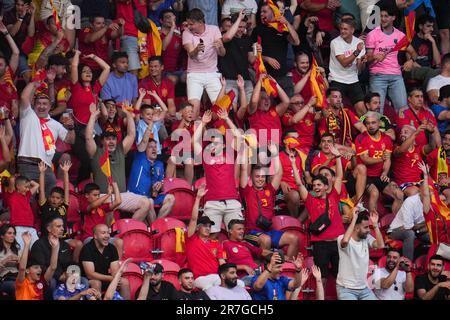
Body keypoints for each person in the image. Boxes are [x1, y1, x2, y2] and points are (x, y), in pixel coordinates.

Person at [86, 106, 155, 223]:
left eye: (113, 138)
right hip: (104, 196)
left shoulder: (120, 150)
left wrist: (128, 114)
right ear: (102, 141)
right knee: (109, 209)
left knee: (146, 203)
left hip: (122, 195)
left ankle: (128, 229)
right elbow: (88, 138)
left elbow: (131, 134)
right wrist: (93, 116)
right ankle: (110, 236)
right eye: (108, 139)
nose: (111, 141)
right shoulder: (96, 152)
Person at [295, 144, 344, 290]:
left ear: (325, 186)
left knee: (340, 277)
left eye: (319, 185)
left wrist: (338, 157)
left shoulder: (333, 196)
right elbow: (298, 183)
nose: (316, 187)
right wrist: (293, 164)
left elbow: (340, 176)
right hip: (320, 245)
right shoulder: (310, 200)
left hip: (337, 244)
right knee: (320, 278)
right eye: (314, 185)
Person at [239, 140, 299, 258]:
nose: (260, 179)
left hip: (269, 231)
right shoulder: (247, 190)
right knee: (265, 240)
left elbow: (279, 174)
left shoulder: (269, 190)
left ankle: (288, 268)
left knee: (294, 239)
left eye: (262, 176)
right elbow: (244, 170)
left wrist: (275, 155)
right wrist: (246, 152)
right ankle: (264, 271)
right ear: (252, 178)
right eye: (257, 176)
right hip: (252, 232)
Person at [17, 76, 75, 195]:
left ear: (49, 107)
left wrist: (71, 128)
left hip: (46, 168)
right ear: (33, 104)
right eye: (39, 103)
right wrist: (34, 82)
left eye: (45, 104)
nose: (42, 106)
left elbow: (70, 140)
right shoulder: (27, 114)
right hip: (28, 165)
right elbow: (24, 97)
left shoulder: (55, 124)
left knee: (50, 200)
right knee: (27, 200)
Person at [193, 111, 244, 236]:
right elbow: (194, 141)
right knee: (210, 237)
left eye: (216, 143)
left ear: (224, 145)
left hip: (232, 201)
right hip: (212, 202)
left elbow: (239, 137)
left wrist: (227, 119)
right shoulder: (206, 156)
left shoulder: (231, 154)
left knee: (237, 236)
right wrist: (203, 123)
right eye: (211, 143)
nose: (213, 146)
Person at [355, 111, 403, 214]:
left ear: (379, 123)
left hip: (379, 175)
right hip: (365, 175)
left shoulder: (386, 139)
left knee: (399, 194)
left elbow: (388, 159)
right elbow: (365, 159)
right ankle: (373, 224)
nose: (371, 126)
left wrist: (385, 172)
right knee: (374, 193)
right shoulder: (361, 138)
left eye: (373, 123)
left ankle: (395, 224)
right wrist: (382, 159)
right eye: (368, 123)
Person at [182, 8, 226, 119]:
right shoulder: (186, 33)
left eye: (191, 24)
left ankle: (218, 132)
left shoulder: (214, 29)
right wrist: (197, 50)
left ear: (200, 22)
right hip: (194, 74)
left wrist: (220, 47)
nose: (189, 27)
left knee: (220, 108)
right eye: (188, 24)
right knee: (194, 108)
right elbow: (191, 54)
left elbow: (222, 54)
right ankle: (195, 134)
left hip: (212, 73)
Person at [365, 6, 408, 113]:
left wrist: (411, 61)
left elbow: (413, 53)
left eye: (386, 16)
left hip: (396, 76)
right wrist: (375, 56)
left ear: (393, 18)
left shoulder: (400, 35)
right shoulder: (372, 34)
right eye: (381, 16)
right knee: (377, 111)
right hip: (377, 76)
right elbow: (367, 58)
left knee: (403, 110)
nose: (383, 19)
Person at [252, 1, 300, 96]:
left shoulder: (282, 28)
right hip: (266, 76)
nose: (262, 14)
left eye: (264, 11)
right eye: (260, 12)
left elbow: (296, 41)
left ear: (273, 11)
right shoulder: (257, 30)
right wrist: (266, 59)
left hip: (284, 77)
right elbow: (252, 56)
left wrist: (287, 23)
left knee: (288, 108)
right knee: (268, 108)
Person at [38, 160, 82, 263]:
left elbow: (66, 189)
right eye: (52, 197)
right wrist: (42, 173)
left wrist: (66, 172)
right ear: (49, 198)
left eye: (57, 198)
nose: (54, 200)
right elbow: (42, 189)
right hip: (48, 239)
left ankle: (74, 264)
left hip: (63, 239)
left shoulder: (63, 207)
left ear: (62, 200)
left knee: (79, 244)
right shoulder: (44, 206)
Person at [336, 208, 385, 300]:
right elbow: (346, 241)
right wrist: (354, 219)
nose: (369, 230)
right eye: (366, 227)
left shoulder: (366, 238)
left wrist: (375, 225)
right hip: (346, 289)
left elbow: (381, 245)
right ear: (357, 228)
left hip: (364, 288)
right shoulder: (341, 238)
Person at [185, 184, 227, 290]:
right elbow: (194, 219)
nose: (208, 228)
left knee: (237, 285)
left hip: (216, 276)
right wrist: (198, 198)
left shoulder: (215, 243)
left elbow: (222, 262)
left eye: (209, 226)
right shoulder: (191, 239)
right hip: (200, 278)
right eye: (205, 226)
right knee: (212, 289)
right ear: (198, 228)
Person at [387, 162, 431, 261]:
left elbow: (429, 224)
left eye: (430, 191)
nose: (429, 193)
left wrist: (424, 226)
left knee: (433, 235)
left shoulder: (430, 203)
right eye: (427, 191)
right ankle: (408, 263)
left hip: (416, 230)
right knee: (410, 234)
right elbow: (408, 227)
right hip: (396, 230)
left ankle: (433, 262)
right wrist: (425, 225)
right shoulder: (410, 201)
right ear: (420, 190)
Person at [79, 224, 131, 300]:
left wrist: (115, 278)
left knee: (124, 282)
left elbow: (115, 271)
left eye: (108, 233)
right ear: (95, 236)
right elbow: (90, 274)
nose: (107, 236)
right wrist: (111, 278)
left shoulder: (112, 248)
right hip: (88, 280)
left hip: (106, 278)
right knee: (96, 283)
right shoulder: (87, 249)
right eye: (103, 233)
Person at [127, 139, 175, 218]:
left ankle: (157, 224)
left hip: (151, 196)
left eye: (155, 147)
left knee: (171, 198)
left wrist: (159, 185)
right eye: (150, 147)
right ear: (145, 150)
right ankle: (155, 228)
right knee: (149, 202)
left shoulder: (159, 164)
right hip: (137, 195)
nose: (154, 149)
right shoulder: (140, 158)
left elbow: (162, 187)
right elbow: (143, 143)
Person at [30, 216, 75, 298]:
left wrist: (69, 273)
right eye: (58, 226)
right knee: (52, 282)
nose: (62, 229)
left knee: (84, 281)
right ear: (49, 229)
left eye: (62, 226)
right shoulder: (39, 245)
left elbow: (70, 263)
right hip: (46, 278)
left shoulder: (65, 245)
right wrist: (59, 276)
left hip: (64, 276)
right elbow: (40, 268)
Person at [329, 18, 366, 116]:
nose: (342, 31)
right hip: (337, 79)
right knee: (336, 109)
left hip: (353, 79)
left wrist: (362, 62)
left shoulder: (359, 42)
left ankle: (366, 130)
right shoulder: (335, 42)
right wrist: (357, 52)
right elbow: (344, 63)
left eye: (345, 29)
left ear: (352, 30)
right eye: (341, 29)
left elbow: (360, 69)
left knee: (361, 108)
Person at [392, 123, 438, 197]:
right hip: (403, 183)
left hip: (418, 182)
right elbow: (402, 151)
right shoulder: (396, 147)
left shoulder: (418, 148)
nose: (402, 134)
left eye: (406, 132)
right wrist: (416, 133)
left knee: (434, 192)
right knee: (416, 192)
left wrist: (431, 133)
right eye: (401, 132)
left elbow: (432, 146)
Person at [219, 10, 255, 104]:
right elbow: (227, 38)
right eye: (239, 26)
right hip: (229, 79)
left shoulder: (247, 39)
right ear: (233, 25)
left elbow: (251, 60)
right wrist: (239, 18)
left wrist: (258, 53)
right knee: (231, 108)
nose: (241, 29)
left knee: (249, 107)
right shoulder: (225, 35)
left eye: (243, 27)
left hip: (245, 79)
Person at [247, 74, 290, 146]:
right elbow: (254, 101)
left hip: (277, 148)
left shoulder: (274, 110)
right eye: (263, 98)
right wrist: (259, 82)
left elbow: (286, 102)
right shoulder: (253, 111)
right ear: (258, 100)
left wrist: (275, 84)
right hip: (260, 148)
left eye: (268, 98)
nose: (267, 100)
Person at [16, 231, 59, 300]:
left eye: (40, 267)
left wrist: (55, 247)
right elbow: (22, 268)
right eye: (36, 267)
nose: (40, 270)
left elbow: (52, 268)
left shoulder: (41, 282)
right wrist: (27, 245)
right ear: (27, 270)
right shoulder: (22, 282)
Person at [78, 15, 123, 80]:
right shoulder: (85, 30)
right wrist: (106, 27)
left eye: (103, 23)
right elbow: (91, 39)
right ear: (91, 25)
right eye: (98, 23)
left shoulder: (105, 31)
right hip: (89, 67)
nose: (102, 25)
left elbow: (117, 34)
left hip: (104, 67)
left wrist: (120, 25)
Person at [8, 175, 40, 251]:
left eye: (28, 187)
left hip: (30, 227)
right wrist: (18, 177)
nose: (28, 189)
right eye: (26, 187)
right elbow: (12, 180)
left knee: (37, 248)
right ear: (18, 186)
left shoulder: (27, 195)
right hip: (18, 227)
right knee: (20, 250)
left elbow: (37, 185)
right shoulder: (12, 195)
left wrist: (28, 181)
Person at [158, 9, 187, 86]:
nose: (171, 20)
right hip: (162, 71)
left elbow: (187, 51)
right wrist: (173, 28)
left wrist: (187, 31)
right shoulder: (157, 35)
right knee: (173, 79)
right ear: (161, 21)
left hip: (177, 70)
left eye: (172, 18)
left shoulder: (178, 37)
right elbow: (163, 47)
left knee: (191, 77)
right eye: (168, 17)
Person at [0, 224, 20, 298]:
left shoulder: (17, 250)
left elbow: (23, 269)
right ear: (2, 236)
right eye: (9, 233)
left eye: (14, 233)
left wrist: (20, 262)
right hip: (3, 279)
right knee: (15, 286)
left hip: (17, 277)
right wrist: (5, 261)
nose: (13, 235)